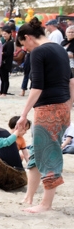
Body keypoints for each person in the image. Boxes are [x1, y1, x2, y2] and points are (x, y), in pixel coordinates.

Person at [15, 18, 74, 213]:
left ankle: (45, 204)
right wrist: (68, 105)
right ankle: (30, 196)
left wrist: (23, 115)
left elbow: (37, 87)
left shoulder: (39, 52)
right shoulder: (59, 49)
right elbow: (71, 82)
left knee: (48, 154)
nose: (26, 49)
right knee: (38, 152)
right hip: (62, 107)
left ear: (28, 37)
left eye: (24, 45)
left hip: (47, 109)